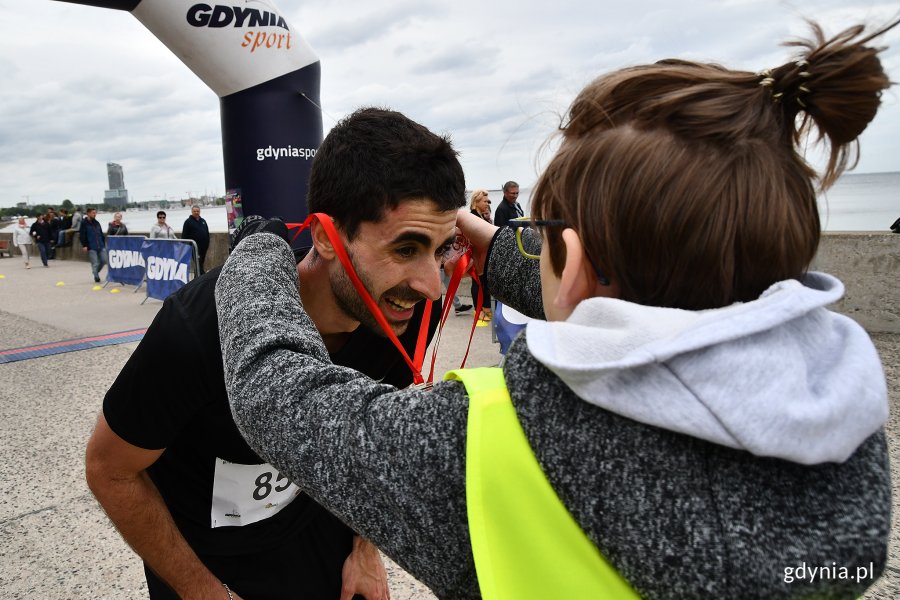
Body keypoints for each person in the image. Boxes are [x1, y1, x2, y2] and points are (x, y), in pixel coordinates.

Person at [216, 20, 895, 599]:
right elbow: (661, 314)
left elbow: (272, 390)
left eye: (541, 242)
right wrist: (506, 253)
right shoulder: (846, 438)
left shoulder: (481, 443)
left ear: (573, 265)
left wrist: (258, 248)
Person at [84, 107, 464, 600]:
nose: (432, 286)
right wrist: (204, 593)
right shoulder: (197, 328)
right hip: (206, 558)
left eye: (441, 250)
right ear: (326, 237)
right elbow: (110, 470)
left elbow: (369, 442)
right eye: (407, 249)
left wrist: (365, 551)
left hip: (319, 536)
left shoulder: (404, 312)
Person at [468, 190, 492, 320]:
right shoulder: (473, 217)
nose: (487, 204)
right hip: (477, 256)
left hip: (482, 255)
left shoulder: (481, 216)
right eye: (485, 201)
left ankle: (484, 309)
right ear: (476, 202)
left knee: (482, 283)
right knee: (477, 283)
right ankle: (479, 311)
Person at [79, 208, 107, 283]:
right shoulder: (84, 223)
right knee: (94, 263)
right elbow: (82, 235)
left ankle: (95, 272)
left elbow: (101, 233)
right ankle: (96, 277)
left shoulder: (97, 223)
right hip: (91, 246)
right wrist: (84, 245)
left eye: (95, 213)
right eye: (93, 213)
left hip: (100, 245)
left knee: (104, 260)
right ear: (88, 213)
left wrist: (103, 243)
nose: (95, 214)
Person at [181, 205, 210, 274]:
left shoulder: (203, 221)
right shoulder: (188, 222)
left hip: (204, 247)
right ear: (192, 212)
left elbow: (207, 233)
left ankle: (197, 279)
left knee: (200, 264)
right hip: (194, 247)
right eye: (194, 211)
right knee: (198, 264)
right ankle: (203, 277)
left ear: (200, 212)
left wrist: (207, 243)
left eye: (198, 211)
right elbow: (184, 236)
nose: (196, 212)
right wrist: (187, 247)